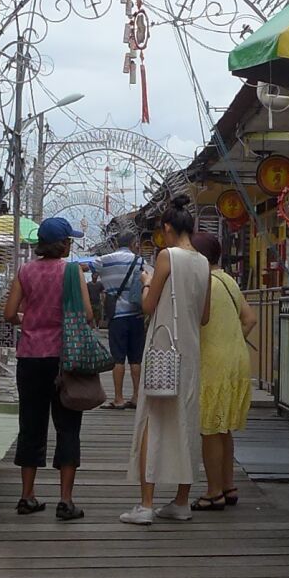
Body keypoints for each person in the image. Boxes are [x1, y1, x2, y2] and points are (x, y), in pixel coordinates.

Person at [122, 195, 210, 527]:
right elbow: (204, 315)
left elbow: (148, 305)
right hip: (191, 351)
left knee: (151, 421)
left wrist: (146, 284)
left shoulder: (166, 256)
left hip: (162, 349)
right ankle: (181, 501)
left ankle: (146, 504)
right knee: (187, 423)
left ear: (168, 228)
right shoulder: (203, 262)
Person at [1, 214, 94, 521]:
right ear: (63, 244)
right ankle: (66, 501)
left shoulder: (25, 271)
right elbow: (88, 314)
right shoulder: (72, 272)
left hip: (30, 358)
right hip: (64, 360)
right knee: (68, 427)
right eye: (69, 240)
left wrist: (29, 320)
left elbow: (10, 312)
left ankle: (27, 496)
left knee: (31, 424)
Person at [194, 231, 254, 509]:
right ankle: (229, 485)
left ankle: (214, 491)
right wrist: (232, 338)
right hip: (237, 360)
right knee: (224, 428)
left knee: (209, 428)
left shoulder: (205, 283)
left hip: (213, 363)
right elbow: (250, 318)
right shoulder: (228, 280)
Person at [93, 221, 147, 409]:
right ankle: (137, 396)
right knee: (136, 359)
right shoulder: (140, 261)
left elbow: (90, 270)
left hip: (116, 316)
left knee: (118, 358)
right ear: (133, 244)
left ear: (116, 244)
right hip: (137, 315)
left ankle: (118, 398)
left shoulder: (104, 260)